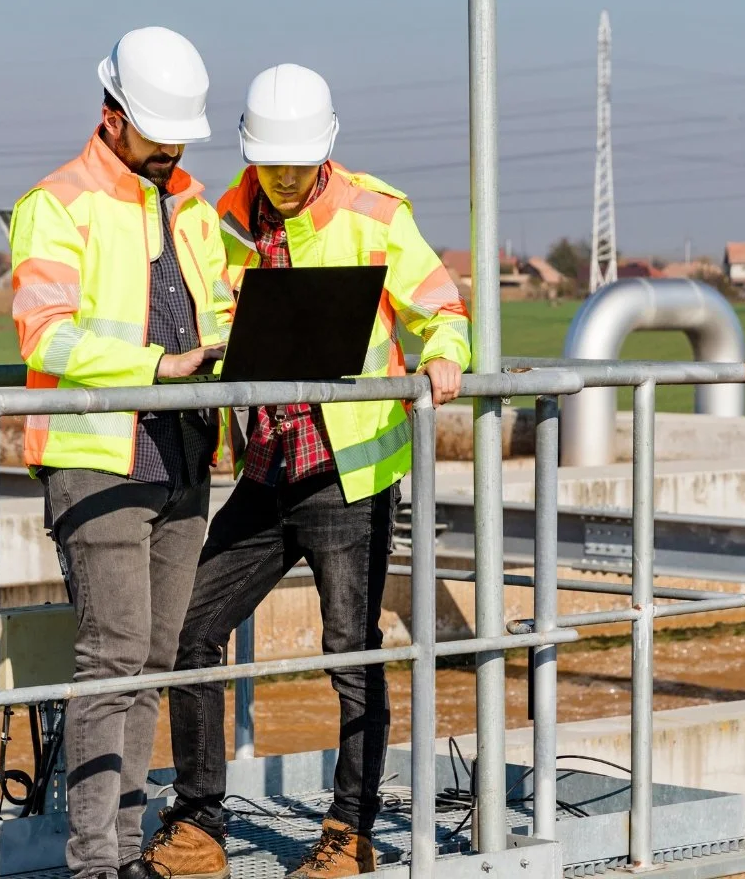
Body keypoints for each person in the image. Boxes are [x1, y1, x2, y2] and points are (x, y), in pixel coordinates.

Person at [143, 64, 471, 879]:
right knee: (191, 632)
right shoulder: (221, 217)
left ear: (324, 152)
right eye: (271, 166)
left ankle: (349, 834)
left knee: (350, 653)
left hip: (346, 473)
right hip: (263, 470)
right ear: (252, 155)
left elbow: (442, 306)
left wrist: (445, 356)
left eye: (296, 166)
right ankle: (199, 825)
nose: (284, 181)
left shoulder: (374, 211)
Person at [8, 26, 234, 879]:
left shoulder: (195, 204)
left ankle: (130, 852)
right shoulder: (56, 203)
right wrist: (152, 366)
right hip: (99, 457)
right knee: (113, 657)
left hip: (181, 456)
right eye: (157, 132)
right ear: (112, 115)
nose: (172, 147)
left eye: (180, 134)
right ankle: (93, 864)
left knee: (155, 660)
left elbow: (212, 314)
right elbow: (47, 337)